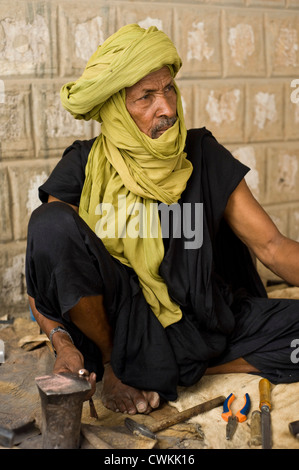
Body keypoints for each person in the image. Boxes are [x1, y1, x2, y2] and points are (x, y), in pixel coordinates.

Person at [26, 24, 299, 416]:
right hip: (116, 328)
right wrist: (65, 345)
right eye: (146, 97)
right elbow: (45, 279)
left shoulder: (201, 154)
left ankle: (170, 369)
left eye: (169, 89)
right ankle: (115, 367)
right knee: (49, 222)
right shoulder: (83, 165)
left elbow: (272, 247)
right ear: (116, 106)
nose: (167, 108)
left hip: (200, 323)